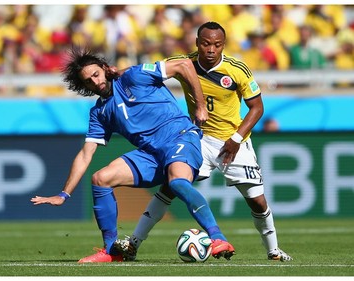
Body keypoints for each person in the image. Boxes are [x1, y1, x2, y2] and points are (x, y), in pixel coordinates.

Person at [30, 47, 235, 263]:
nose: (95, 81)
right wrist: (64, 194)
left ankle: (218, 238)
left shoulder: (133, 76)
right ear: (84, 87)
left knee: (177, 182)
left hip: (180, 137)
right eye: (88, 81)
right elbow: (85, 155)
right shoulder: (99, 113)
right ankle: (112, 251)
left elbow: (184, 65)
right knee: (100, 179)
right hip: (151, 154)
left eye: (96, 74)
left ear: (104, 68)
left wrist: (200, 105)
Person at [114, 21, 292, 262]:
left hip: (233, 142)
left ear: (223, 46)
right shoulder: (183, 63)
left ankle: (273, 251)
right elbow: (143, 71)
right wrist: (118, 72)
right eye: (206, 44)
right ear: (197, 43)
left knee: (257, 201)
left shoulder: (237, 69)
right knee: (170, 186)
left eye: (217, 45)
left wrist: (236, 138)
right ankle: (133, 244)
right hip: (197, 139)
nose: (211, 49)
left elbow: (257, 107)